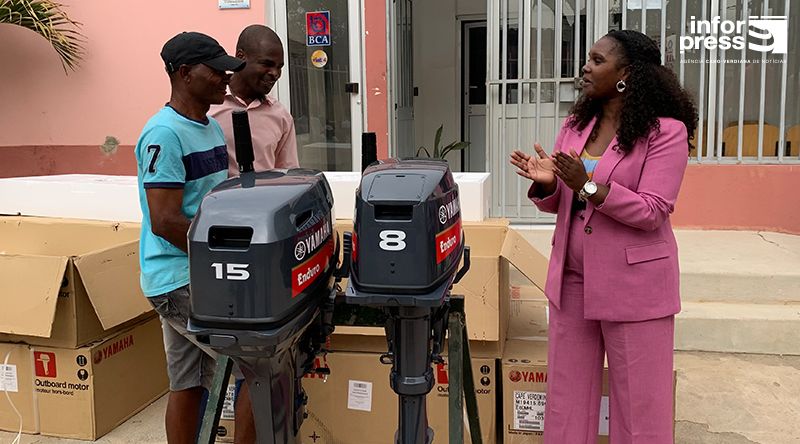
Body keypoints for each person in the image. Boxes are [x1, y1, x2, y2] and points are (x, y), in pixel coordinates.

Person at [510, 30, 698, 443]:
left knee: (641, 410)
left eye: (597, 60)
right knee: (565, 403)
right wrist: (547, 185)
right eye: (588, 59)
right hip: (572, 281)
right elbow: (562, 198)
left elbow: (652, 210)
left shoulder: (665, 132)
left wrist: (587, 185)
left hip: (634, 288)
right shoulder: (576, 125)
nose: (586, 67)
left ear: (626, 73)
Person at [134, 31, 244, 444]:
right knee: (254, 368)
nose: (225, 79)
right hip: (179, 279)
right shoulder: (163, 134)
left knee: (190, 381)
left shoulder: (209, 128)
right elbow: (164, 220)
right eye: (216, 72)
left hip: (200, 270)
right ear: (184, 73)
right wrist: (227, 260)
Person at [210, 24, 299, 177]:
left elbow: (289, 175)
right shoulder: (208, 107)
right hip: (218, 199)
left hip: (266, 200)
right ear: (240, 57)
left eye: (279, 67)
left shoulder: (281, 116)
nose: (275, 74)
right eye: (267, 64)